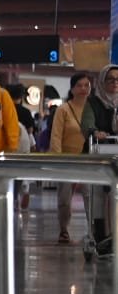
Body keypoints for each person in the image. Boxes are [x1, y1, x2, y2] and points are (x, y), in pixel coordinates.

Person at [50, 71, 96, 244]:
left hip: (89, 159)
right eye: (80, 85)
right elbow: (56, 135)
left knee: (90, 196)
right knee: (64, 198)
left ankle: (93, 230)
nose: (84, 89)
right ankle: (63, 229)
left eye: (87, 85)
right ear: (72, 89)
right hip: (67, 159)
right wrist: (58, 158)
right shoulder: (64, 110)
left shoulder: (94, 109)